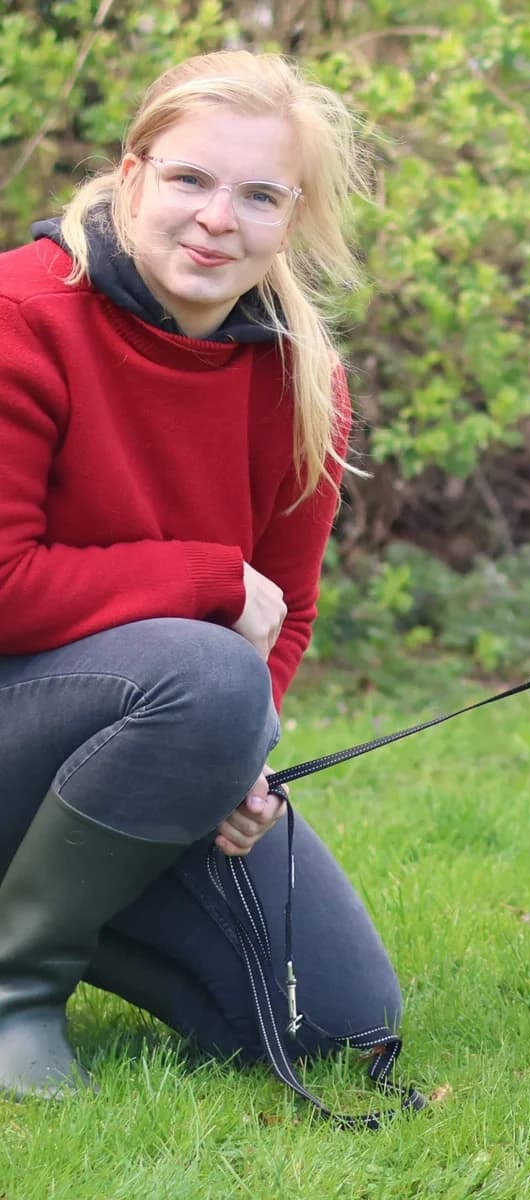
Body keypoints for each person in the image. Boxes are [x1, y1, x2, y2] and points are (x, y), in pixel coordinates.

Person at [0, 49, 421, 1111]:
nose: (216, 219)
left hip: (137, 737)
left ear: (295, 216)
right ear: (133, 174)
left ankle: (49, 909)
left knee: (333, 1017)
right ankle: (19, 990)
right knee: (206, 671)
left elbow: (288, 604)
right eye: (189, 178)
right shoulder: (20, 315)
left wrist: (241, 753)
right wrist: (203, 580)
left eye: (259, 195)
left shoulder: (302, 379)